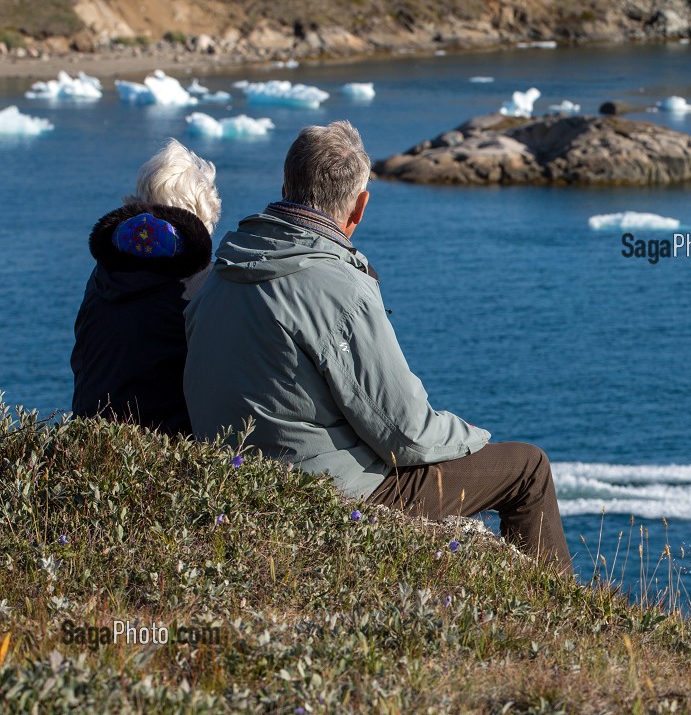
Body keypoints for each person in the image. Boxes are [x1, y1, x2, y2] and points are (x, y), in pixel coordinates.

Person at [183, 120, 571, 575]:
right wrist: (469, 435)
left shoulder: (226, 266)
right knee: (528, 469)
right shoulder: (336, 287)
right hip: (326, 496)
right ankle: (565, 622)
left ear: (287, 185)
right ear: (359, 206)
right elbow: (405, 433)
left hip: (236, 483)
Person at [71, 139, 221, 436]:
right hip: (164, 460)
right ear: (204, 213)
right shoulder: (205, 284)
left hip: (86, 446)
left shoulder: (103, 274)